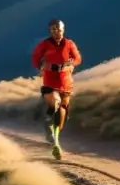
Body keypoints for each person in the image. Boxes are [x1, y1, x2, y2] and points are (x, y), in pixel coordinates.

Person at [31, 18, 82, 160]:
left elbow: (78, 58)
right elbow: (35, 58)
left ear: (63, 30)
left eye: (58, 29)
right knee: (56, 103)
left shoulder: (69, 44)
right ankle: (56, 144)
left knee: (62, 114)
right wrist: (41, 66)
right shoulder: (44, 45)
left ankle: (51, 127)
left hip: (65, 82)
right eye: (53, 29)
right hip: (50, 81)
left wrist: (71, 64)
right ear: (50, 30)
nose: (56, 32)